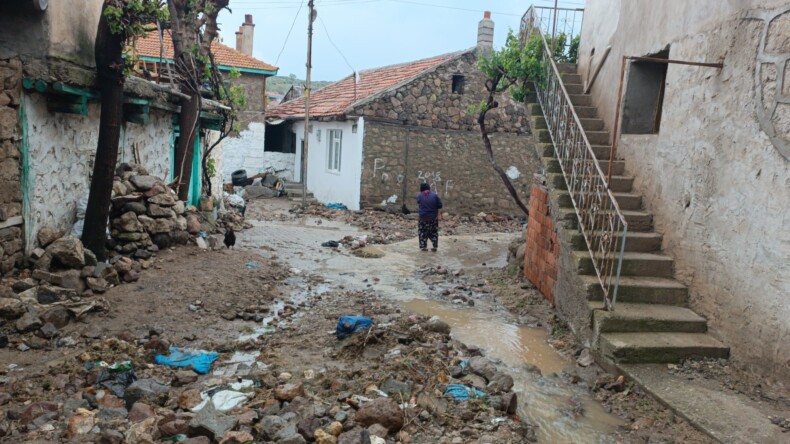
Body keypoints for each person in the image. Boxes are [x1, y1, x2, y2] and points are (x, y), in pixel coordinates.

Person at [416, 183, 443, 252]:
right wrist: (439, 215)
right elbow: (439, 205)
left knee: (422, 231)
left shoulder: (420, 195)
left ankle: (423, 247)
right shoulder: (435, 195)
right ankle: (434, 246)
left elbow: (419, 203)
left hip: (423, 218)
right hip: (433, 218)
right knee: (434, 231)